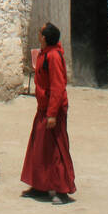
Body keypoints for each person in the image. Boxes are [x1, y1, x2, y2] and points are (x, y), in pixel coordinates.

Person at [20, 21, 76, 204]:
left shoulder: (54, 57)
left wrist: (52, 114)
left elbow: (58, 87)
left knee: (57, 150)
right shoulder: (45, 54)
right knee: (39, 148)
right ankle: (40, 186)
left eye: (40, 33)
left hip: (53, 111)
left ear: (44, 38)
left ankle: (62, 190)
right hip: (43, 109)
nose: (38, 35)